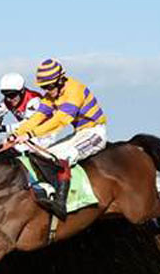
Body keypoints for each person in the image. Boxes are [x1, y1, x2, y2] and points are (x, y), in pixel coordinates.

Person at [9, 58, 108, 219]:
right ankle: (50, 192)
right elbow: (37, 117)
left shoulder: (74, 90)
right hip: (79, 133)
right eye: (43, 87)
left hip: (95, 133)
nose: (47, 90)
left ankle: (61, 203)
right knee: (43, 155)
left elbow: (60, 121)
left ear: (61, 80)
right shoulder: (50, 96)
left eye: (49, 86)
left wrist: (30, 134)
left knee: (62, 158)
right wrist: (16, 133)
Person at [0, 73, 54, 148]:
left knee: (16, 148)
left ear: (22, 91)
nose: (8, 99)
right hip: (25, 133)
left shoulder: (34, 100)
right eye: (5, 95)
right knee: (0, 145)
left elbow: (28, 124)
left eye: (11, 95)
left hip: (44, 135)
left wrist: (2, 128)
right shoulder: (8, 101)